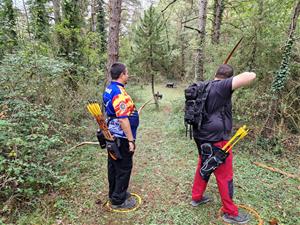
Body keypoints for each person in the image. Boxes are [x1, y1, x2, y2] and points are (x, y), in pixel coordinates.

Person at [190, 64, 256, 224]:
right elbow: (250, 76)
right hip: (217, 140)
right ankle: (230, 212)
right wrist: (231, 81)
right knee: (225, 175)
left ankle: (196, 197)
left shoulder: (205, 86)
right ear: (228, 78)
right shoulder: (221, 87)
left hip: (202, 137)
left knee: (204, 165)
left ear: (216, 74)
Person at [102, 62, 139, 209]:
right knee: (124, 166)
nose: (128, 75)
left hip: (112, 134)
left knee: (114, 164)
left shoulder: (109, 88)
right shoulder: (119, 93)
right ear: (122, 75)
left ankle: (115, 193)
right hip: (121, 137)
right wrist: (130, 140)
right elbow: (123, 119)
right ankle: (118, 200)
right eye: (127, 73)